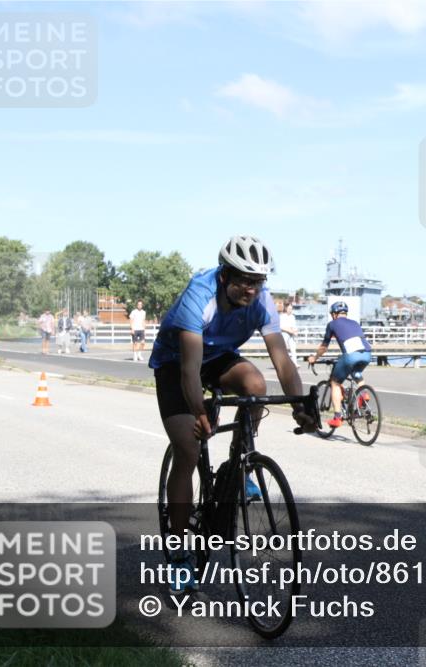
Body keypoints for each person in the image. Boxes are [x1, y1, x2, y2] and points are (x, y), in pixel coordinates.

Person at [149, 235, 314, 595]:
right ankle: (179, 556)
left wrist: (301, 405)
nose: (250, 289)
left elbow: (282, 360)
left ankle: (239, 465)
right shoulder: (199, 296)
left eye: (257, 282)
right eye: (242, 280)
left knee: (256, 385)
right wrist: (199, 413)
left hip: (219, 358)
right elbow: (190, 372)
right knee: (188, 450)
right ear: (224, 276)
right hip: (178, 363)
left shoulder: (262, 302)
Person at [307, 301, 372, 428]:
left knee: (335, 383)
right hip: (367, 354)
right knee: (356, 372)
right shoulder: (355, 323)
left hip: (350, 356)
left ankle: (337, 417)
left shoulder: (332, 324)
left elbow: (324, 347)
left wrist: (314, 357)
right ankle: (364, 394)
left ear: (335, 314)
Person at [279, 301, 299, 368]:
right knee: (284, 349)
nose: (290, 310)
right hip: (284, 334)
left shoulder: (292, 316)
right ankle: (283, 364)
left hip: (291, 334)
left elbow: (294, 326)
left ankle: (295, 363)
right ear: (286, 308)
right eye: (289, 308)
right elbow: (281, 327)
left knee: (293, 349)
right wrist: (291, 331)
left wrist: (295, 331)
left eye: (291, 309)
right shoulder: (282, 316)